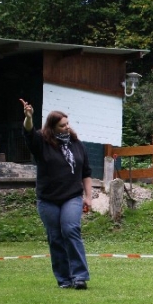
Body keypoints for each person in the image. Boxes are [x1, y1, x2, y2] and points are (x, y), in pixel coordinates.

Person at [21, 99, 92, 290]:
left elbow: (86, 173)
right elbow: (28, 133)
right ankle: (64, 279)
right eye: (63, 125)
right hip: (48, 200)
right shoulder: (41, 144)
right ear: (52, 128)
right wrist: (29, 117)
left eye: (68, 123)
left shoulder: (77, 145)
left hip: (72, 197)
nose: (67, 127)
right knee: (55, 237)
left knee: (70, 230)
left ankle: (79, 276)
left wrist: (88, 196)